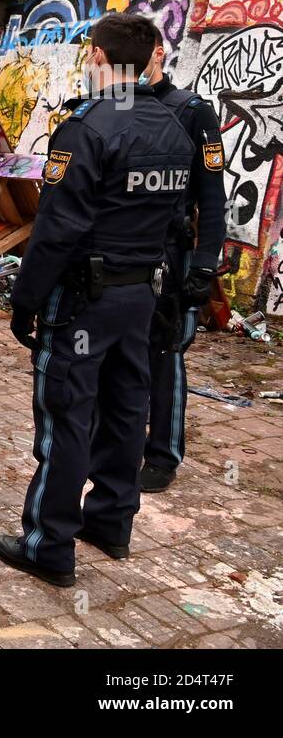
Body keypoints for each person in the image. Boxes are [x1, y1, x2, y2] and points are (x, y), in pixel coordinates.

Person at [0, 13, 194, 588]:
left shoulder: (88, 128)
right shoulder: (173, 126)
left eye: (90, 54)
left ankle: (48, 545)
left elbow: (58, 228)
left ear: (102, 59)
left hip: (83, 297)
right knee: (128, 409)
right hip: (141, 292)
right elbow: (178, 218)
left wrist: (26, 299)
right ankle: (111, 522)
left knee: (67, 414)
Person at [139, 43, 227, 493]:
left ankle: (163, 454)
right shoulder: (117, 105)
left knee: (167, 354)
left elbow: (212, 199)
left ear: (158, 53)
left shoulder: (192, 111)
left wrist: (204, 265)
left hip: (172, 257)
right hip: (124, 254)